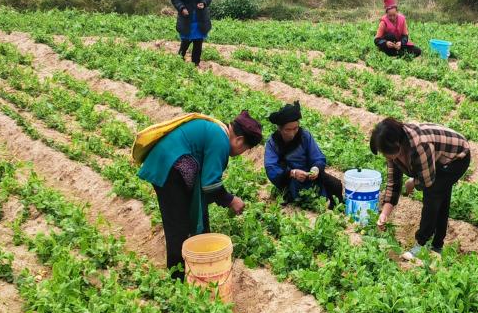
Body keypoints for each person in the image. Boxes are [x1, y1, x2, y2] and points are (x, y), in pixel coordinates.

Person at [138, 111, 262, 279]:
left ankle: (199, 266)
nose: (241, 153)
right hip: (170, 169)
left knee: (192, 218)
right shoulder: (220, 140)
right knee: (178, 225)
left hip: (172, 166)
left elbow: (206, 187)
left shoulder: (217, 131)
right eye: (245, 149)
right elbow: (210, 185)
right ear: (239, 140)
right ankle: (177, 279)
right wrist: (231, 200)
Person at [371, 118, 471, 262]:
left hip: (457, 157)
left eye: (387, 153)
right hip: (437, 158)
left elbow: (427, 182)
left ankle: (422, 244)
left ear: (397, 144)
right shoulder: (392, 147)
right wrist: (384, 214)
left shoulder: (419, 145)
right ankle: (437, 247)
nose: (387, 157)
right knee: (440, 197)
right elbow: (393, 182)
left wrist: (412, 182)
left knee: (434, 195)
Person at [264, 101, 343, 208]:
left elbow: (317, 157)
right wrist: (292, 173)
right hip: (289, 179)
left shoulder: (304, 136)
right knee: (301, 196)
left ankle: (336, 209)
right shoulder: (273, 143)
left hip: (310, 176)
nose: (292, 133)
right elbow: (271, 167)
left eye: (295, 128)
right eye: (288, 130)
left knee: (336, 185)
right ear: (280, 128)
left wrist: (316, 168)